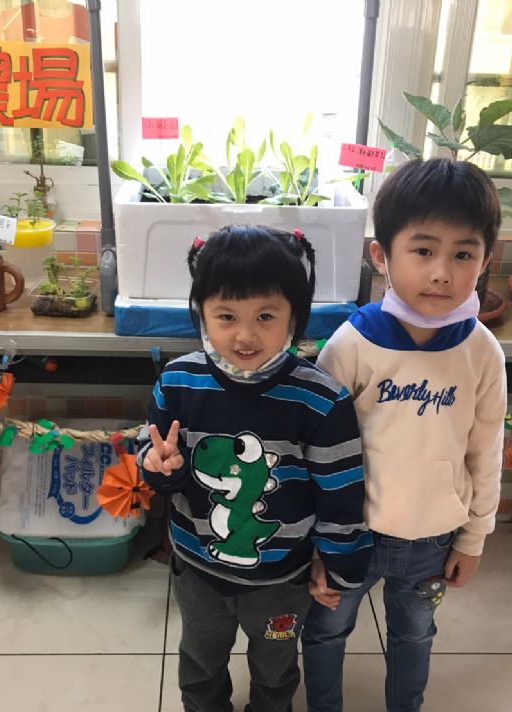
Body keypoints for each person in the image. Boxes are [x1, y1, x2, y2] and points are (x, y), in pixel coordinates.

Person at [302, 158, 508, 712]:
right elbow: (316, 453)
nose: (442, 272)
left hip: (432, 541)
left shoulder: (482, 352)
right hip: (351, 535)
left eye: (462, 254)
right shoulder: (350, 345)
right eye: (423, 250)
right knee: (324, 631)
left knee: (415, 635)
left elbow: (485, 451)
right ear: (381, 255)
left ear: (485, 260)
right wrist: (317, 542)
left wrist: (473, 538)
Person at [140, 224, 372, 712]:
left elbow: (340, 494)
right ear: (202, 313)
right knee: (200, 665)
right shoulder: (178, 381)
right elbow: (155, 456)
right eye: (226, 316)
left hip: (282, 581)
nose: (245, 335)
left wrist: (340, 566)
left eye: (265, 316)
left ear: (294, 316)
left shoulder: (321, 399)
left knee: (275, 672)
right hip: (198, 570)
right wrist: (159, 466)